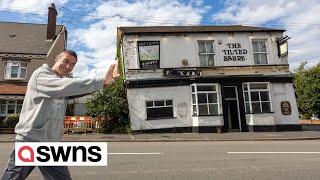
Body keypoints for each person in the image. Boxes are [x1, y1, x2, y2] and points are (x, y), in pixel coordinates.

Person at [1, 50, 119, 180]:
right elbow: (63, 87)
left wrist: (104, 85)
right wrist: (101, 81)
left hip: (51, 144)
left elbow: (74, 89)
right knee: (12, 178)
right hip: (31, 140)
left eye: (73, 65)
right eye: (66, 61)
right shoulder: (41, 75)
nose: (68, 67)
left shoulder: (62, 82)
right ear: (57, 59)